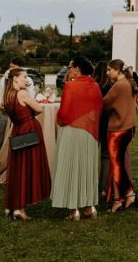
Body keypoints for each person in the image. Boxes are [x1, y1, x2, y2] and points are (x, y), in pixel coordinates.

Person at [51, 56, 103, 220]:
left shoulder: (70, 86)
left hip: (72, 131)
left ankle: (73, 210)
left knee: (70, 166)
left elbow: (64, 112)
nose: (69, 70)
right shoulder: (95, 86)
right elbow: (99, 109)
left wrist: (59, 119)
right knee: (87, 168)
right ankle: (90, 207)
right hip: (90, 133)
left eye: (71, 67)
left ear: (77, 69)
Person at [2, 67, 51, 220]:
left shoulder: (7, 94)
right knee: (27, 166)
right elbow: (38, 108)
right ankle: (20, 208)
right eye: (24, 77)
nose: (26, 80)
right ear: (15, 79)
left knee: (18, 167)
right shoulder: (22, 94)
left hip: (17, 129)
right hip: (28, 129)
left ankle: (13, 205)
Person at [104, 59, 138, 212]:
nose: (107, 73)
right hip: (128, 127)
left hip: (118, 129)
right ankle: (125, 196)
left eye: (109, 70)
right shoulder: (128, 83)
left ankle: (122, 198)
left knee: (116, 165)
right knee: (119, 164)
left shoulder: (118, 86)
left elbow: (103, 104)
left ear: (117, 70)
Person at [0, 57, 36, 147]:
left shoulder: (28, 81)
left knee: (20, 142)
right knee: (3, 139)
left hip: (20, 116)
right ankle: (3, 160)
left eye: (13, 67)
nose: (10, 69)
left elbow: (31, 97)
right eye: (10, 66)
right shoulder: (3, 80)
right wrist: (0, 103)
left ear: (20, 68)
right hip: (5, 114)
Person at [92, 60, 112, 197]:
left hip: (93, 122)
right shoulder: (111, 86)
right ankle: (103, 188)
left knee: (91, 155)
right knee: (105, 155)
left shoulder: (93, 86)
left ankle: (90, 185)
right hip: (106, 122)